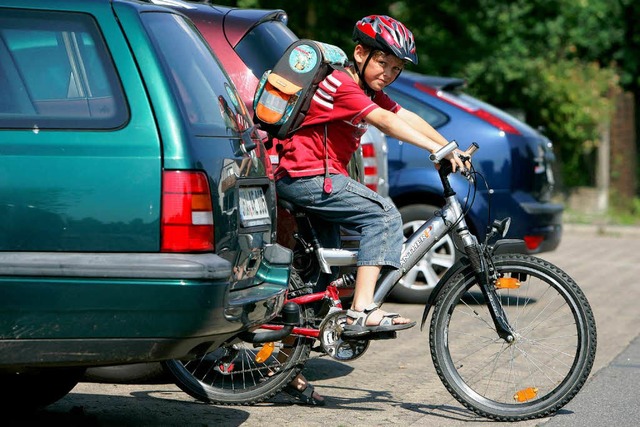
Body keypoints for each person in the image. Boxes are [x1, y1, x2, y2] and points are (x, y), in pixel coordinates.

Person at [276, 15, 468, 406]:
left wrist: (449, 144)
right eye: (384, 63)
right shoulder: (340, 85)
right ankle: (363, 308)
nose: (390, 73)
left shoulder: (361, 84)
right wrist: (434, 150)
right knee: (382, 214)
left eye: (397, 68)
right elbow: (381, 120)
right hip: (307, 176)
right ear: (360, 53)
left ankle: (282, 371)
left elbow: (402, 115)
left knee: (315, 286)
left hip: (319, 177)